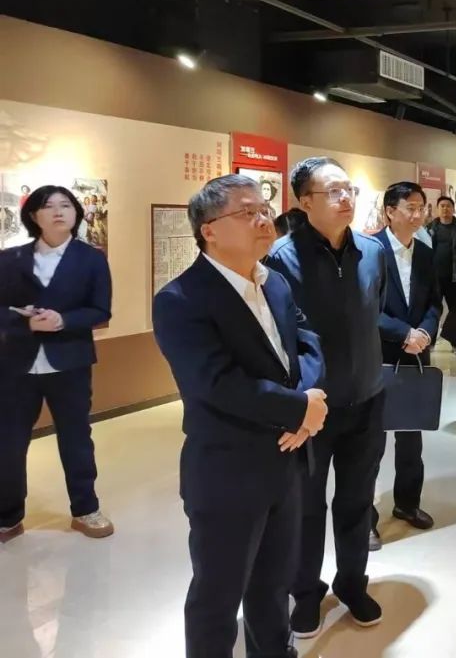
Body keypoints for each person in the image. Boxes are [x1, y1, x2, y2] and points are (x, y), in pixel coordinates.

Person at [152, 174, 327, 658]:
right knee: (218, 596)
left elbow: (307, 342)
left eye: (265, 210)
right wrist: (300, 409)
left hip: (287, 463)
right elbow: (217, 383)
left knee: (273, 586)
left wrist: (308, 401)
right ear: (209, 230)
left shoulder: (275, 283)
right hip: (228, 471)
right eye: (247, 212)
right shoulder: (180, 300)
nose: (264, 219)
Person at [264, 157, 389, 638]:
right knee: (306, 506)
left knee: (357, 500)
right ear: (304, 202)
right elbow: (279, 339)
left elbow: (373, 311)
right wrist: (293, 404)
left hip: (367, 399)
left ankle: (353, 583)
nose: (344, 198)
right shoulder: (281, 259)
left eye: (348, 190)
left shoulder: (372, 252)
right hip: (312, 408)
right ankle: (305, 593)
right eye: (332, 191)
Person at [0, 186, 114, 544]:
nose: (58, 212)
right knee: (9, 442)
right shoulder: (10, 258)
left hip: (70, 363)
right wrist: (24, 322)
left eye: (66, 205)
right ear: (34, 216)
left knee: (76, 438)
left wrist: (64, 320)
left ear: (76, 213)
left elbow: (101, 309)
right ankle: (8, 516)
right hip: (16, 365)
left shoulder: (91, 258)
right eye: (48, 206)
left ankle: (85, 509)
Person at [373, 181, 441, 537]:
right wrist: (404, 334)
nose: (418, 215)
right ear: (390, 211)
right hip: (377, 355)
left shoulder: (426, 253)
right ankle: (364, 518)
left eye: (421, 208)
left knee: (411, 437)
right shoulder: (369, 251)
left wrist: (424, 333)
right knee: (371, 443)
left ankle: (408, 502)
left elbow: (434, 303)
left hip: (417, 355)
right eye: (410, 208)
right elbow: (365, 307)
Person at [426, 195, 456, 351]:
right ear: (438, 209)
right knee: (433, 310)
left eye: (448, 206)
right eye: (442, 206)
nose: (445, 209)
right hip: (435, 278)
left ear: (453, 209)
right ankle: (430, 342)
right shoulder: (429, 229)